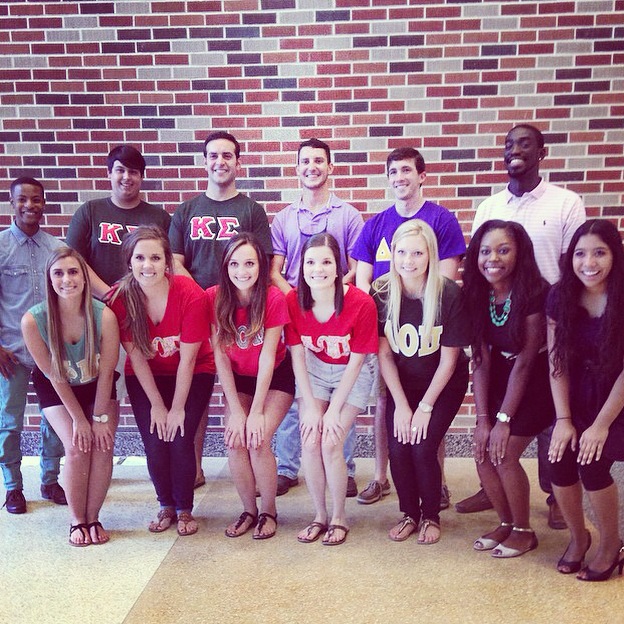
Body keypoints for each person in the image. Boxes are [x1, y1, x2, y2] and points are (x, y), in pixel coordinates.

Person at [460, 123, 586, 524]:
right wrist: (485, 418)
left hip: (545, 325)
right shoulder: (490, 207)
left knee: (550, 428)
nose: (515, 150)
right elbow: (478, 357)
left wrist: (557, 313)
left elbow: (572, 266)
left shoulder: (565, 202)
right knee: (495, 442)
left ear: (542, 152)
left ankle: (555, 497)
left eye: (525, 144)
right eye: (509, 144)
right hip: (500, 329)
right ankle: (499, 496)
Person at [352, 147, 465, 506]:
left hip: (428, 335)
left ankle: (439, 480)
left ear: (422, 176)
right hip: (390, 331)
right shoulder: (375, 225)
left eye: (406, 170)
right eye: (393, 172)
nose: (399, 177)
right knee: (387, 401)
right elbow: (364, 288)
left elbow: (444, 284)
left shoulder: (442, 220)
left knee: (429, 409)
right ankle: (382, 477)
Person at [169, 131, 272, 488]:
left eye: (228, 155)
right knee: (198, 392)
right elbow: (175, 262)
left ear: (238, 163)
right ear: (205, 161)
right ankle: (195, 469)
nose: (220, 161)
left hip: (241, 315)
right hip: (198, 311)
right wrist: (204, 299)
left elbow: (263, 262)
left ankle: (257, 471)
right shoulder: (187, 210)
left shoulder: (250, 210)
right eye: (213, 155)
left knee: (242, 382)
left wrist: (229, 299)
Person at [270, 138, 364, 497]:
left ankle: (346, 466)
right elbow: (274, 269)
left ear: (330, 167)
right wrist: (301, 298)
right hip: (297, 314)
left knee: (342, 386)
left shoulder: (348, 215)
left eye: (319, 161)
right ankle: (288, 467)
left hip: (336, 314)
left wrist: (329, 292)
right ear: (297, 169)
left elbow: (357, 268)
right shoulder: (283, 218)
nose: (312, 167)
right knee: (299, 390)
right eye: (305, 161)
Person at [109, 226, 215, 536]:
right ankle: (165, 505)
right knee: (155, 440)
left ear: (166, 262)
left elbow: (190, 358)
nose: (148, 265)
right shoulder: (121, 298)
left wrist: (178, 407)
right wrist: (157, 405)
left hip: (194, 373)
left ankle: (184, 508)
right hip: (146, 377)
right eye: (140, 257)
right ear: (129, 261)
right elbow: (137, 358)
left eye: (155, 257)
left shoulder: (190, 294)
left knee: (180, 437)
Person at [373, 220, 469, 544]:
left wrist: (426, 407)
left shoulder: (448, 292)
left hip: (443, 384)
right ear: (393, 254)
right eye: (401, 252)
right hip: (403, 385)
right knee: (398, 448)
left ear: (430, 254)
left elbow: (449, 360)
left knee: (423, 446)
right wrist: (400, 405)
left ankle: (430, 515)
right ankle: (409, 514)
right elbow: (384, 356)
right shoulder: (382, 291)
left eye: (417, 252)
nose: (408, 260)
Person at [466, 221, 553, 558]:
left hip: (537, 384)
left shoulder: (534, 292)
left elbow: (528, 360)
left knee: (504, 453)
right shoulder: (478, 292)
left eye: (504, 250)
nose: (493, 258)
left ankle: (524, 530)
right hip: (503, 376)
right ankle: (505, 522)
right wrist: (484, 418)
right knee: (482, 449)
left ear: (519, 253)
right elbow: (482, 360)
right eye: (486, 251)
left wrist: (503, 420)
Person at [21, 248, 119, 546]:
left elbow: (108, 370)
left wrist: (99, 418)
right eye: (59, 273)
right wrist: (80, 420)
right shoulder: (33, 321)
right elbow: (54, 375)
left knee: (102, 445)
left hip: (96, 382)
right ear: (49, 279)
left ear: (84, 277)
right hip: (57, 386)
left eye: (73, 272)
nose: (67, 279)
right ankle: (77, 521)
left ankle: (94, 517)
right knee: (77, 446)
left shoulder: (105, 316)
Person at [286, 233, 377, 546]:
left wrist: (334, 409)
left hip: (351, 373)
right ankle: (319, 515)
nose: (318, 269)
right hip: (314, 371)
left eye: (326, 261)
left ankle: (339, 516)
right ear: (302, 266)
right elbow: (298, 355)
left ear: (339, 267)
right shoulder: (293, 300)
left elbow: (357, 361)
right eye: (311, 262)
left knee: (330, 441)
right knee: (310, 439)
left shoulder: (360, 303)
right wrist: (310, 406)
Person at [547, 219, 624, 582]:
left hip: (617, 399)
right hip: (575, 393)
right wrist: (564, 419)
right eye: (580, 253)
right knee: (559, 460)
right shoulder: (560, 295)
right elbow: (556, 360)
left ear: (614, 256)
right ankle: (579, 539)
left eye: (599, 253)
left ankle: (611, 545)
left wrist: (601, 425)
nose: (588, 262)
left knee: (592, 464)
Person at [209, 234, 294, 539]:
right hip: (238, 377)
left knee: (257, 438)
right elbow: (219, 354)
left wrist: (256, 411)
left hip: (274, 377)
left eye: (249, 263)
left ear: (261, 265)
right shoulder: (215, 297)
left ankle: (269, 511)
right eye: (234, 263)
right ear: (225, 266)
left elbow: (269, 356)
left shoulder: (272, 298)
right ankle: (249, 510)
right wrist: (235, 409)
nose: (241, 271)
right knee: (235, 439)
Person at [0, 177, 66, 514]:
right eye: (22, 199)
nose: (30, 206)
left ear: (44, 203)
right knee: (9, 422)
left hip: (50, 353)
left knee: (53, 419)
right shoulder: (0, 247)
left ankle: (50, 479)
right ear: (11, 203)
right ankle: (12, 487)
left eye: (36, 199)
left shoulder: (55, 248)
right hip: (10, 353)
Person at [65, 145, 171, 299]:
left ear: (142, 177)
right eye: (120, 170)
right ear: (109, 173)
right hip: (98, 305)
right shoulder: (90, 211)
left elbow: (167, 264)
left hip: (145, 304)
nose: (127, 177)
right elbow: (73, 259)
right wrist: (109, 295)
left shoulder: (160, 218)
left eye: (133, 172)